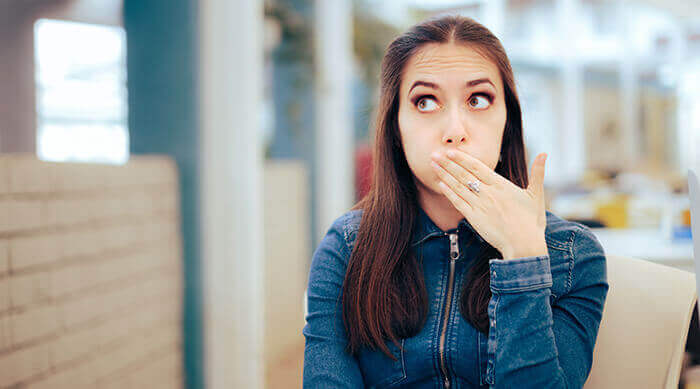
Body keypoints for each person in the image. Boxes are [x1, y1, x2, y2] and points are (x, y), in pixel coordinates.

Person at [302, 14, 609, 388]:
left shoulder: (573, 255)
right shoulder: (346, 249)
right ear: (395, 126)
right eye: (425, 101)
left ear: (507, 123)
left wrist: (524, 256)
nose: (454, 132)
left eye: (478, 99)